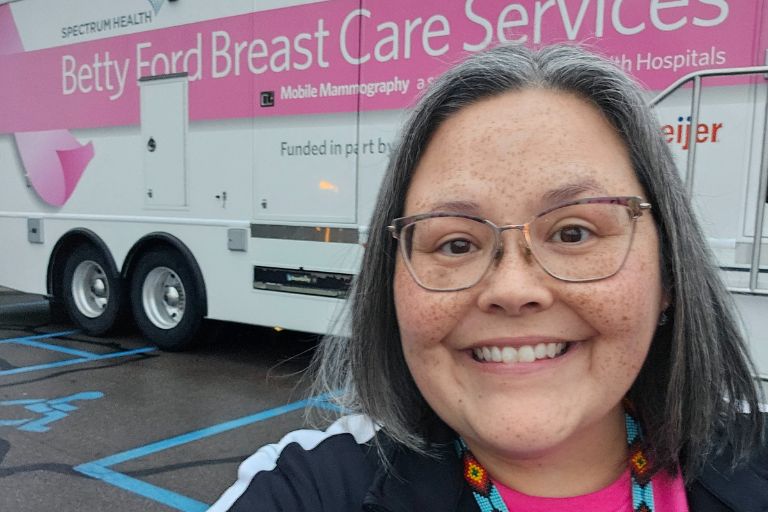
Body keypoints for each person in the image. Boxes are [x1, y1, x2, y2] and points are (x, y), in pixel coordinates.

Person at [210, 44, 767, 512]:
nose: (512, 289)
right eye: (455, 243)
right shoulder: (309, 490)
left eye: (574, 233)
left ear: (669, 273)